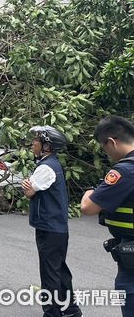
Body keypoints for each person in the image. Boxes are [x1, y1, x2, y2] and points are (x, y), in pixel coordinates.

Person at [21, 126, 82, 317]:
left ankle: (52, 313)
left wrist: (27, 186)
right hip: (57, 227)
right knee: (59, 270)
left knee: (50, 273)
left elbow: (29, 190)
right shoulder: (51, 164)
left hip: (49, 227)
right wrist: (28, 185)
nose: (33, 144)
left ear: (47, 146)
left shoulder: (46, 167)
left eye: (36, 141)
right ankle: (71, 309)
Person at [81, 115, 134, 317]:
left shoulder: (126, 170)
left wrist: (88, 192)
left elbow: (88, 207)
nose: (107, 153)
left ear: (112, 142)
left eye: (104, 148)